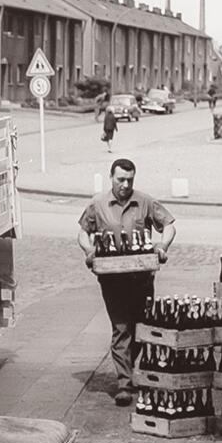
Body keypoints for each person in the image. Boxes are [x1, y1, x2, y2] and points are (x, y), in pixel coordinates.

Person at [77, 159, 178, 406]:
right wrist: (89, 251)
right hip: (112, 278)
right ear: (111, 177)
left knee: (141, 327)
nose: (125, 184)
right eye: (120, 179)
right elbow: (82, 232)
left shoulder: (145, 202)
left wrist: (163, 246)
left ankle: (131, 369)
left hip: (141, 277)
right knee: (121, 327)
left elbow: (170, 225)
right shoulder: (98, 204)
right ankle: (124, 383)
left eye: (129, 180)